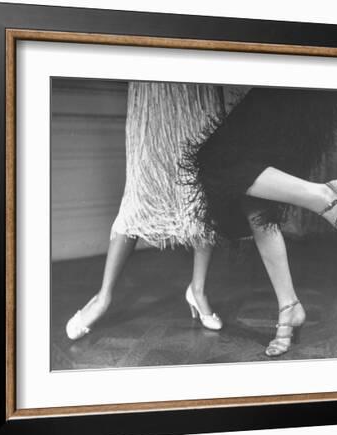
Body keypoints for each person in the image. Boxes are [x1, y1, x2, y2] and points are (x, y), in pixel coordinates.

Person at [179, 86, 337, 356]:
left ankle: (323, 197)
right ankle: (289, 306)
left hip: (299, 81)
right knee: (255, 201)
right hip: (291, 83)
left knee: (217, 161)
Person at [65, 81, 227, 340]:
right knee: (140, 194)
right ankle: (103, 297)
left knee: (204, 189)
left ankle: (198, 290)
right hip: (155, 88)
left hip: (199, 87)